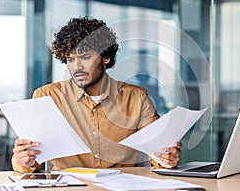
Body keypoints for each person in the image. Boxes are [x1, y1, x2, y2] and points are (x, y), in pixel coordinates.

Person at [12, 16, 182, 173]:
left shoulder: (136, 98)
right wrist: (24, 160)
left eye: (85, 57)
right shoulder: (47, 96)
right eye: (70, 59)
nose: (76, 67)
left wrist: (167, 158)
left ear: (105, 57)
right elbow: (28, 161)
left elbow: (158, 153)